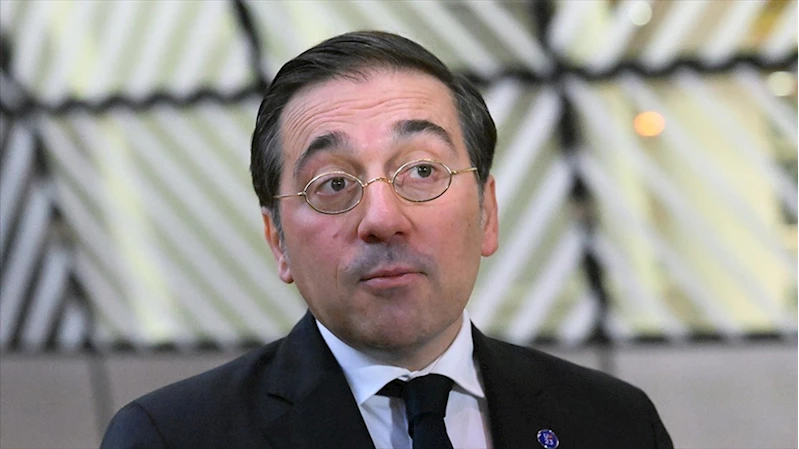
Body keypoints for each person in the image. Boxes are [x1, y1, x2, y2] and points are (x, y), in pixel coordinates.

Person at [101, 31, 673, 449]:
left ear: (487, 213)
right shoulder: (172, 437)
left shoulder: (614, 423)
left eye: (421, 171)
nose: (382, 218)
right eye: (332, 184)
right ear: (278, 241)